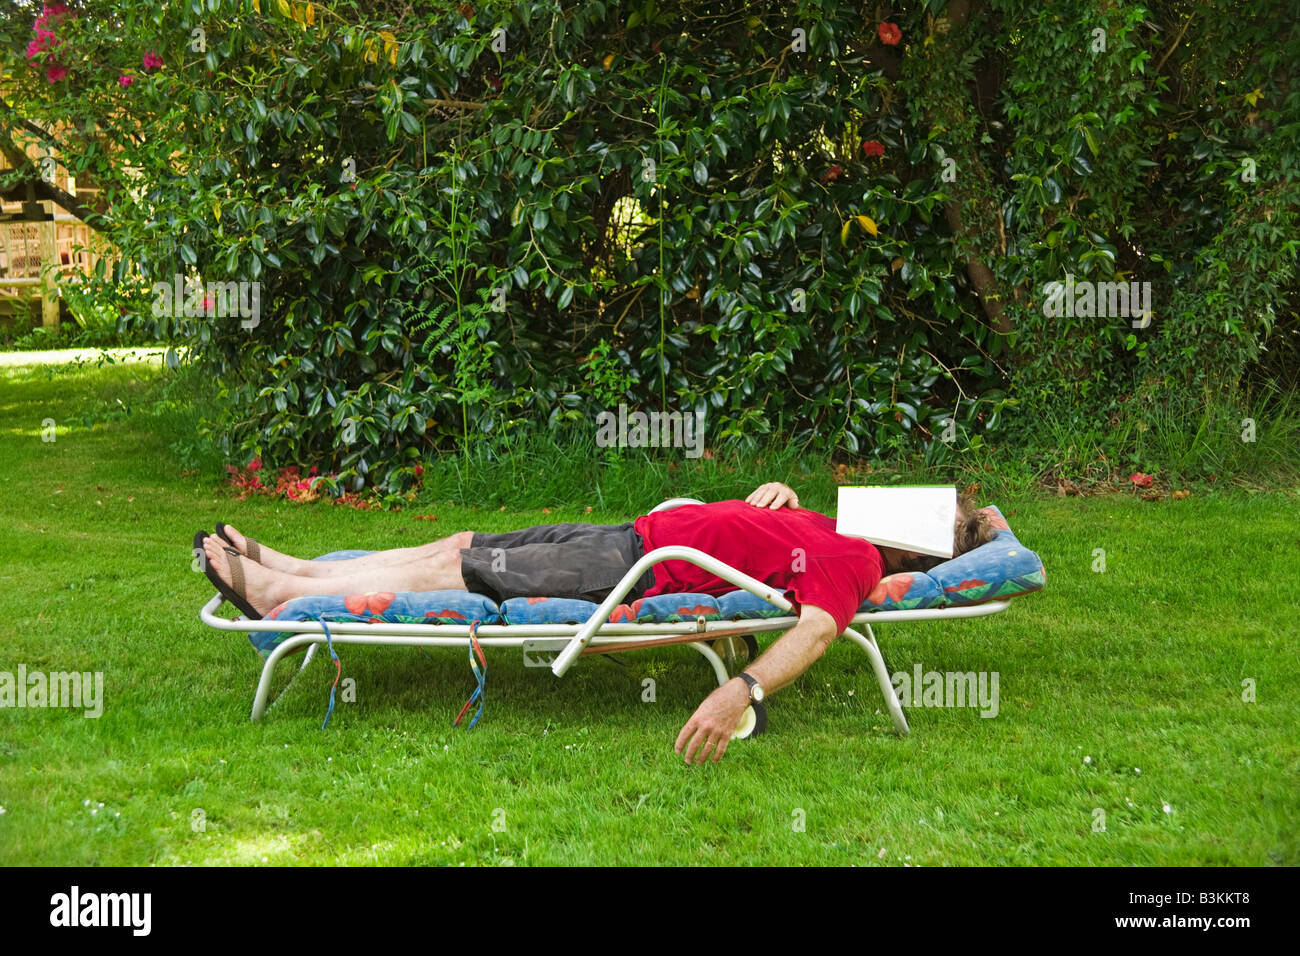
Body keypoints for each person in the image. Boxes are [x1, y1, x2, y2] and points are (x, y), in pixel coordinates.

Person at [198, 481, 992, 764]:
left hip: (619, 575)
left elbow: (818, 630)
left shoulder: (856, 569)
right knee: (459, 543)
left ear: (910, 545)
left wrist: (739, 690)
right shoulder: (840, 531)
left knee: (461, 577)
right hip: (630, 536)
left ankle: (280, 602)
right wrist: (774, 492)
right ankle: (298, 571)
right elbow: (766, 537)